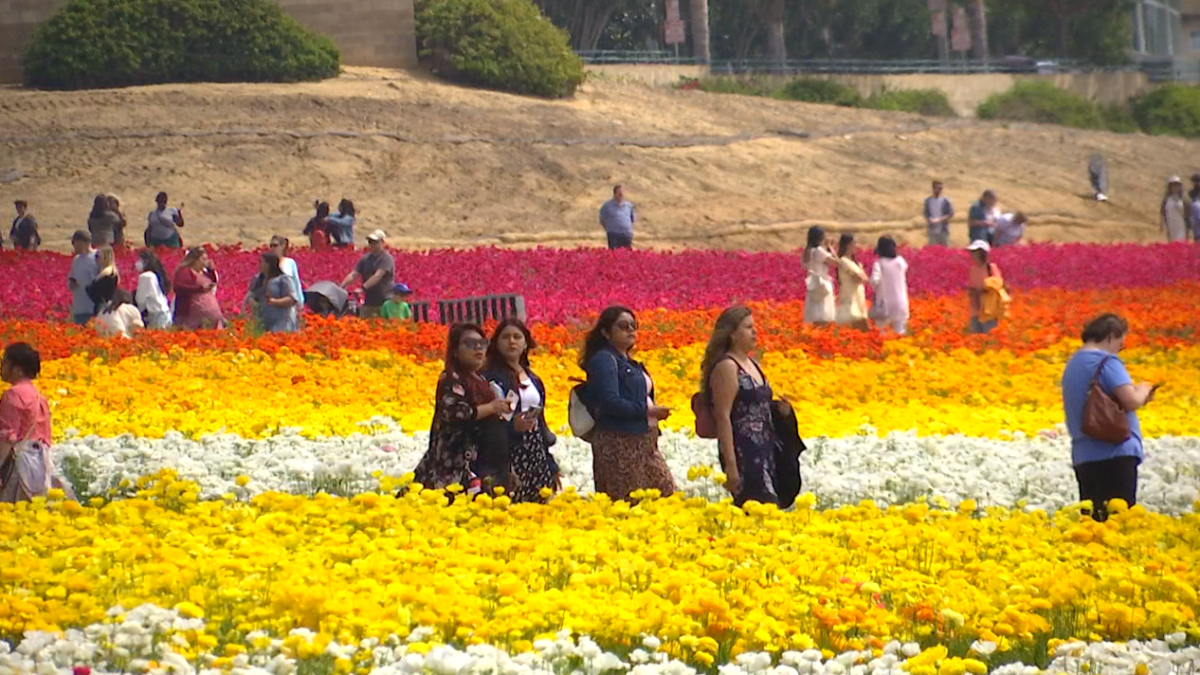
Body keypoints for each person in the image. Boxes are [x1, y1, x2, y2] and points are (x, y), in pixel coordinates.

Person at [1061, 314, 1157, 522]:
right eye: (1120, 344)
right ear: (1111, 337)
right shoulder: (1106, 361)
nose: (1119, 350)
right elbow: (1130, 400)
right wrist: (1143, 390)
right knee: (1118, 523)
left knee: (1093, 524)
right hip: (1115, 452)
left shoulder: (1073, 364)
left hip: (1084, 455)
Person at [582, 306, 675, 501]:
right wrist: (649, 411)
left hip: (644, 442)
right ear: (606, 332)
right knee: (630, 502)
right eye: (623, 326)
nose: (631, 330)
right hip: (620, 444)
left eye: (634, 326)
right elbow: (610, 402)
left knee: (664, 495)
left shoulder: (629, 362)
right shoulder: (604, 360)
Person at [413, 324, 513, 497]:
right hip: (453, 464)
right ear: (455, 350)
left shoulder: (480, 379)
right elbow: (457, 413)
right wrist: (491, 407)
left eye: (482, 343)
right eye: (470, 344)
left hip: (482, 462)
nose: (478, 349)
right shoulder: (451, 378)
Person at [700, 306, 784, 507]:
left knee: (768, 508)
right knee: (759, 505)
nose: (755, 332)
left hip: (766, 448)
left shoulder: (754, 364)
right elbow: (723, 416)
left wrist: (782, 410)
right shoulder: (727, 367)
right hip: (744, 451)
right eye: (748, 327)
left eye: (754, 326)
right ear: (732, 334)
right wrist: (731, 465)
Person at [485, 319, 559, 503]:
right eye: (506, 337)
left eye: (517, 337)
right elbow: (487, 423)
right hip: (507, 452)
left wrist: (550, 463)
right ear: (496, 343)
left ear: (526, 343)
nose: (512, 342)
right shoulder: (490, 377)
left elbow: (540, 421)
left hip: (534, 450)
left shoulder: (533, 379)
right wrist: (512, 427)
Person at [0, 343, 74, 503]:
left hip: (17, 468)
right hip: (39, 465)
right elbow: (46, 437)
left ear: (17, 369)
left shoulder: (12, 395)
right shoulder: (39, 396)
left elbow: (7, 437)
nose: (1, 367)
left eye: (4, 362)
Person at [341, 230, 395, 319]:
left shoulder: (386, 258)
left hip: (384, 300)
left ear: (382, 242)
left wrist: (363, 288)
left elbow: (377, 276)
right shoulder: (365, 258)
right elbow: (354, 274)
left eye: (375, 242)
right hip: (369, 300)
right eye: (370, 242)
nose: (372, 245)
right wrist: (342, 286)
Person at [173, 248, 224, 330]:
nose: (206, 262)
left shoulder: (203, 273)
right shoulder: (185, 272)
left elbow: (213, 280)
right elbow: (179, 287)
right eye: (203, 259)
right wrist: (199, 289)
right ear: (195, 260)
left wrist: (211, 270)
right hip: (190, 317)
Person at [870, 236, 910, 335]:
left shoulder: (879, 264)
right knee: (900, 331)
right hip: (900, 302)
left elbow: (874, 281)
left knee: (882, 332)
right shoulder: (900, 262)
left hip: (885, 303)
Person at [967, 240, 1005, 334]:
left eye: (976, 252)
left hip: (989, 308)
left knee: (989, 334)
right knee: (975, 335)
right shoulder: (973, 269)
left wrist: (985, 287)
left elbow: (998, 283)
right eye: (972, 252)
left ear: (983, 253)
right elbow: (972, 285)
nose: (973, 255)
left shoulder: (991, 267)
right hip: (976, 308)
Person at [802, 227, 837, 325]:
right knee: (823, 317)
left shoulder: (807, 252)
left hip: (813, 286)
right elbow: (836, 262)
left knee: (816, 319)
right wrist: (830, 247)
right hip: (822, 286)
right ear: (821, 237)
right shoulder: (818, 251)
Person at [257, 253, 300, 333]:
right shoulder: (259, 280)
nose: (258, 265)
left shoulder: (284, 279)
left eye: (261, 262)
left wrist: (275, 301)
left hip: (281, 322)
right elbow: (253, 294)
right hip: (264, 321)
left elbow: (292, 299)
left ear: (268, 264)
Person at [835, 234, 869, 330]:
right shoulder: (843, 261)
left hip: (859, 297)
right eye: (854, 243)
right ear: (848, 245)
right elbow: (858, 278)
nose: (856, 245)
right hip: (850, 298)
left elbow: (865, 279)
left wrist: (861, 277)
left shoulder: (855, 263)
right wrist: (860, 277)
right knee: (858, 329)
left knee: (861, 329)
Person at [135, 249, 172, 329]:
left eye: (139, 260)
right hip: (165, 313)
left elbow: (140, 300)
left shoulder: (145, 276)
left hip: (156, 315)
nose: (137, 263)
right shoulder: (155, 275)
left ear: (146, 262)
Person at [67, 230, 98, 326]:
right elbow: (71, 278)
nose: (74, 246)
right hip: (79, 307)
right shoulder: (76, 260)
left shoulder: (97, 257)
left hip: (94, 307)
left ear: (82, 242)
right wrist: (71, 284)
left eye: (74, 243)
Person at [269, 236, 304, 306]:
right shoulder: (268, 263)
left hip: (289, 300)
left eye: (275, 245)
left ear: (283, 246)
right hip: (273, 301)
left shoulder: (290, 263)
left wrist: (300, 302)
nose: (272, 248)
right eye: (271, 246)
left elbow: (296, 282)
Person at [599, 185, 636, 250]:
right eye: (619, 192)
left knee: (627, 254)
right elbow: (602, 220)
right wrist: (608, 229)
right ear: (615, 194)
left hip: (626, 234)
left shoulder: (628, 206)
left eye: (622, 192)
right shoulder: (607, 206)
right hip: (614, 235)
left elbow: (632, 219)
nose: (621, 194)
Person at [86, 246, 120, 316]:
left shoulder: (107, 274)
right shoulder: (111, 272)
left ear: (105, 257)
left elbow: (94, 291)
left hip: (103, 306)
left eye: (98, 256)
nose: (96, 259)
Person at [923, 181, 954, 246]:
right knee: (932, 249)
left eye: (941, 188)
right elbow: (926, 213)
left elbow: (950, 213)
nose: (940, 190)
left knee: (944, 249)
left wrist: (940, 220)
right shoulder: (928, 201)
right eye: (938, 188)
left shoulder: (945, 201)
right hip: (932, 229)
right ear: (933, 188)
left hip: (943, 229)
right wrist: (930, 220)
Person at [1162, 177, 1188, 243]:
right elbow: (1163, 213)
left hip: (1181, 225)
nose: (1175, 188)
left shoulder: (1184, 199)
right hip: (1171, 225)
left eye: (1177, 186)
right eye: (1173, 186)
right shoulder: (1166, 200)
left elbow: (1188, 214)